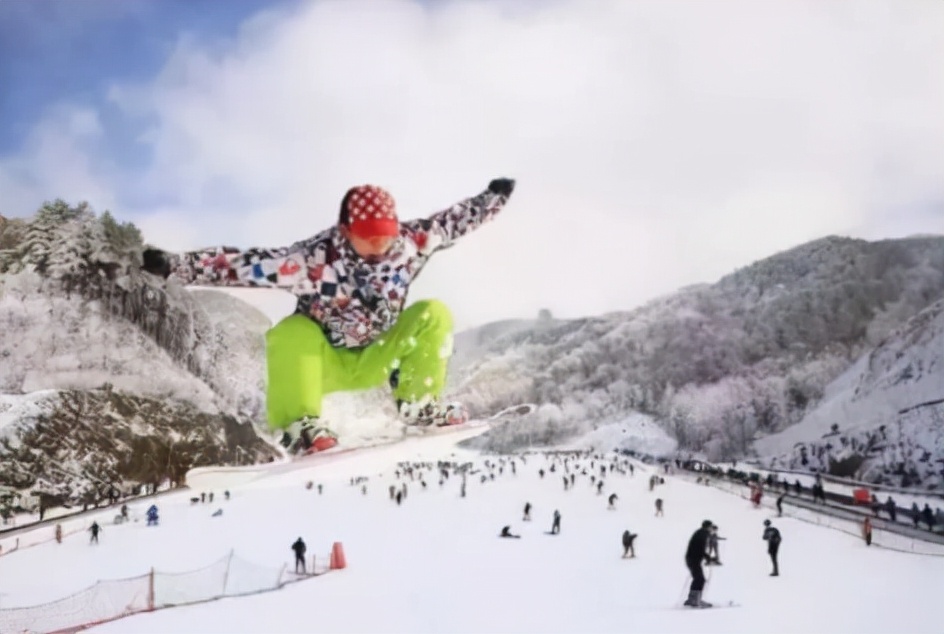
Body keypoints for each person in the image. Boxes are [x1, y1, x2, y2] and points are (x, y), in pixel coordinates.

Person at [142, 179, 516, 448]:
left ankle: (418, 402)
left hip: (379, 358)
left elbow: (452, 222)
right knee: (292, 331)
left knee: (433, 312)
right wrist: (176, 266)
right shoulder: (310, 260)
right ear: (344, 230)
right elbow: (242, 265)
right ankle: (299, 423)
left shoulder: (410, 245)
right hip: (323, 365)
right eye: (367, 238)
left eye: (383, 237)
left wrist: (494, 198)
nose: (377, 246)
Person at [683, 520, 713, 608]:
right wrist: (707, 557)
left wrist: (706, 557)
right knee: (700, 579)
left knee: (697, 578)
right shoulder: (703, 534)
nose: (712, 529)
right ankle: (696, 600)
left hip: (691, 558)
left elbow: (699, 548)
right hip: (693, 559)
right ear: (708, 527)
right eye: (711, 527)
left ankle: (692, 599)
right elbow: (700, 548)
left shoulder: (700, 533)